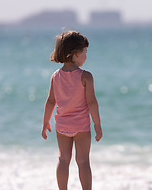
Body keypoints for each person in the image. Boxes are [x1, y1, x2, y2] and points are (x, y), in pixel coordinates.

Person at [42, 30, 102, 190]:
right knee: (83, 161)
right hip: (81, 126)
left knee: (63, 159)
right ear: (75, 54)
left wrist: (45, 122)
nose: (86, 56)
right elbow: (92, 102)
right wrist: (97, 124)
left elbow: (50, 101)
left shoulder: (56, 76)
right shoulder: (86, 76)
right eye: (85, 52)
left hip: (62, 126)